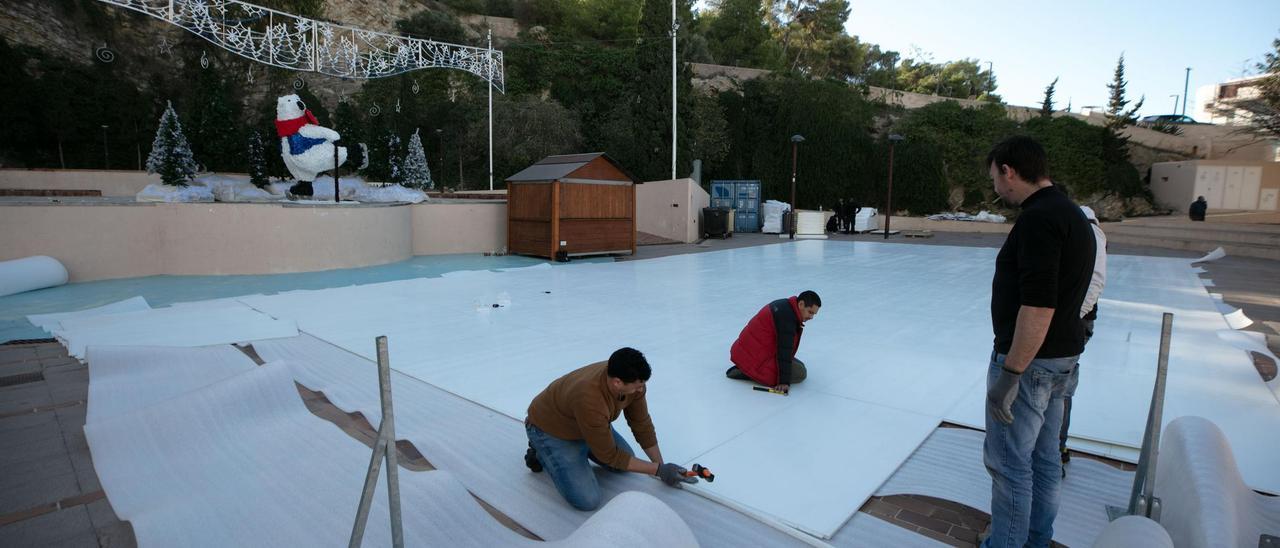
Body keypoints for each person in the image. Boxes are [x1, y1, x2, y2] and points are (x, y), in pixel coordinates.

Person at [983, 136, 1095, 548]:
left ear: (1009, 171)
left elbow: (1038, 305)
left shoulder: (1038, 219)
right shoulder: (1072, 214)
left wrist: (1010, 373)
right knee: (1045, 460)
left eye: (995, 178)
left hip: (1031, 365)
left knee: (1010, 463)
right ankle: (1034, 539)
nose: (996, 187)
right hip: (1064, 357)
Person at [524, 347, 694, 511]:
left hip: (588, 425)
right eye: (637, 386)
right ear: (617, 383)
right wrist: (659, 471)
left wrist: (660, 467)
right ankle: (541, 452)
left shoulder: (631, 378)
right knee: (587, 500)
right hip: (551, 430)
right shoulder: (590, 398)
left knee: (624, 463)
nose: (641, 390)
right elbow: (610, 456)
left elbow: (641, 424)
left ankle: (590, 443)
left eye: (642, 384)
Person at [1060, 205, 1107, 475]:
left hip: (1072, 323)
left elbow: (1095, 282)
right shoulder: (1079, 226)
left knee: (1060, 387)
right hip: (1069, 321)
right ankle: (1051, 448)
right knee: (1055, 386)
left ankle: (1055, 450)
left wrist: (1069, 319)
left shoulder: (1089, 231)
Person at [725, 290, 821, 394]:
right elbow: (784, 350)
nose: (811, 317)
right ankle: (748, 373)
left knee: (799, 365)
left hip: (746, 351)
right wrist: (783, 382)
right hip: (756, 360)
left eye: (814, 314)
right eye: (810, 312)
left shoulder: (785, 305)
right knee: (801, 373)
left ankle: (746, 366)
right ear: (801, 304)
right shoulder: (787, 318)